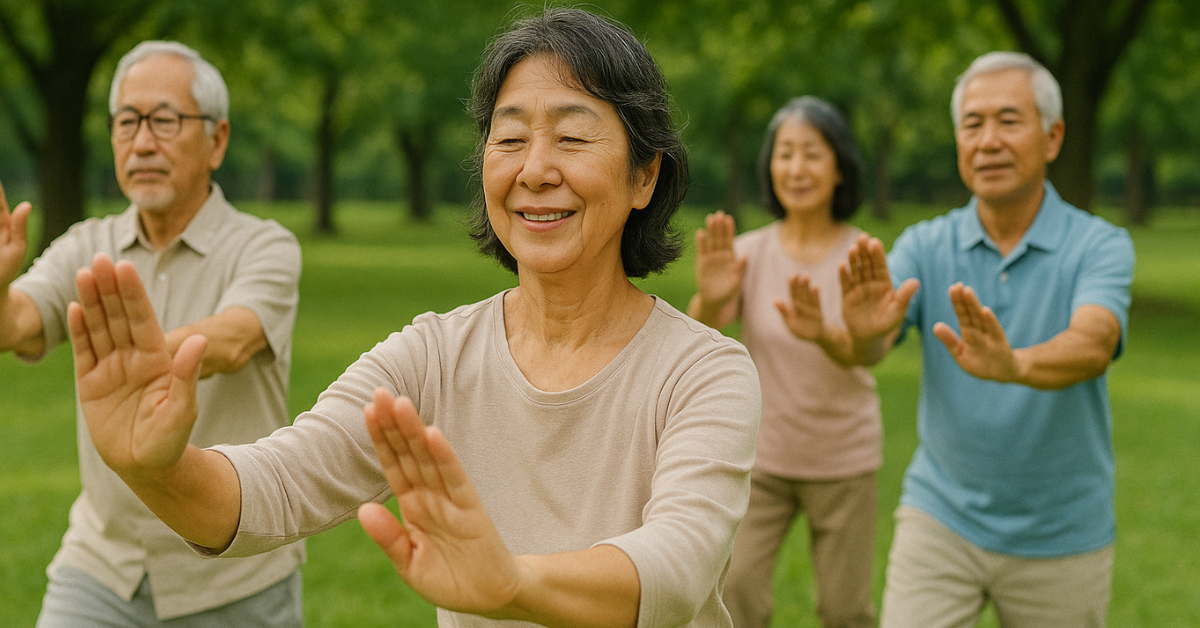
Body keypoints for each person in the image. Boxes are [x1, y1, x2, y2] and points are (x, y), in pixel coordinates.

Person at [66, 8, 761, 628]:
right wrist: (153, 469)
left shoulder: (703, 372)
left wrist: (512, 584)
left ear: (645, 176)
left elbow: (678, 567)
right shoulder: (431, 358)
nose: (535, 169)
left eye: (573, 138)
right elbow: (273, 487)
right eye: (509, 139)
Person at [806, 52, 1133, 627]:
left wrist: (1015, 365)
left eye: (1008, 120)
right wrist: (856, 334)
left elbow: (1095, 342)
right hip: (941, 518)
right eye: (972, 124)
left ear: (1053, 137)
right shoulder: (925, 245)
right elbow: (870, 349)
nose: (987, 141)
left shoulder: (1098, 245)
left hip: (1061, 534)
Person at [0, 41, 304, 626]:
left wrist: (140, 362)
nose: (142, 142)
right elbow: (15, 323)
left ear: (217, 140)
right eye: (127, 122)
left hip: (232, 570)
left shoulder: (264, 246)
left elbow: (233, 338)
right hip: (102, 565)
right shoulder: (87, 246)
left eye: (164, 120)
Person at [688, 96, 879, 628]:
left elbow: (871, 351)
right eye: (785, 153)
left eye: (812, 154)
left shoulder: (862, 256)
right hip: (763, 458)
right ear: (770, 167)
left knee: (845, 610)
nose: (796, 168)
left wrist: (826, 335)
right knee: (736, 597)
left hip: (844, 461)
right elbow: (701, 336)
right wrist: (709, 297)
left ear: (839, 167)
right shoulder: (748, 253)